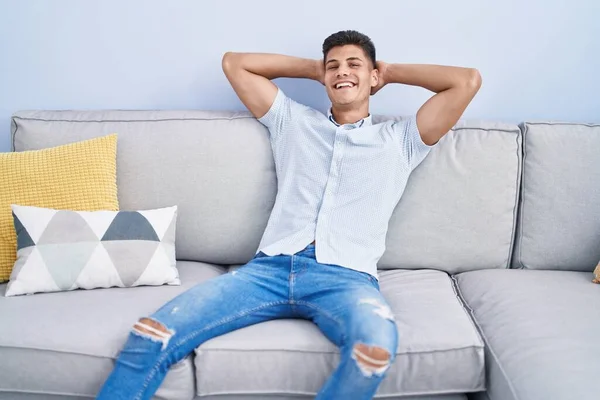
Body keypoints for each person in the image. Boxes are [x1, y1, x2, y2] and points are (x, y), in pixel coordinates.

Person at [96, 30, 481, 400]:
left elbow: (466, 81)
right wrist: (317, 68)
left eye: (353, 65)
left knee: (373, 352)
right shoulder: (292, 121)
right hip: (268, 272)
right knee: (151, 334)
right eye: (333, 66)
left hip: (346, 279)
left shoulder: (401, 140)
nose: (342, 71)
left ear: (373, 76)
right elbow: (235, 64)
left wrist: (388, 70)